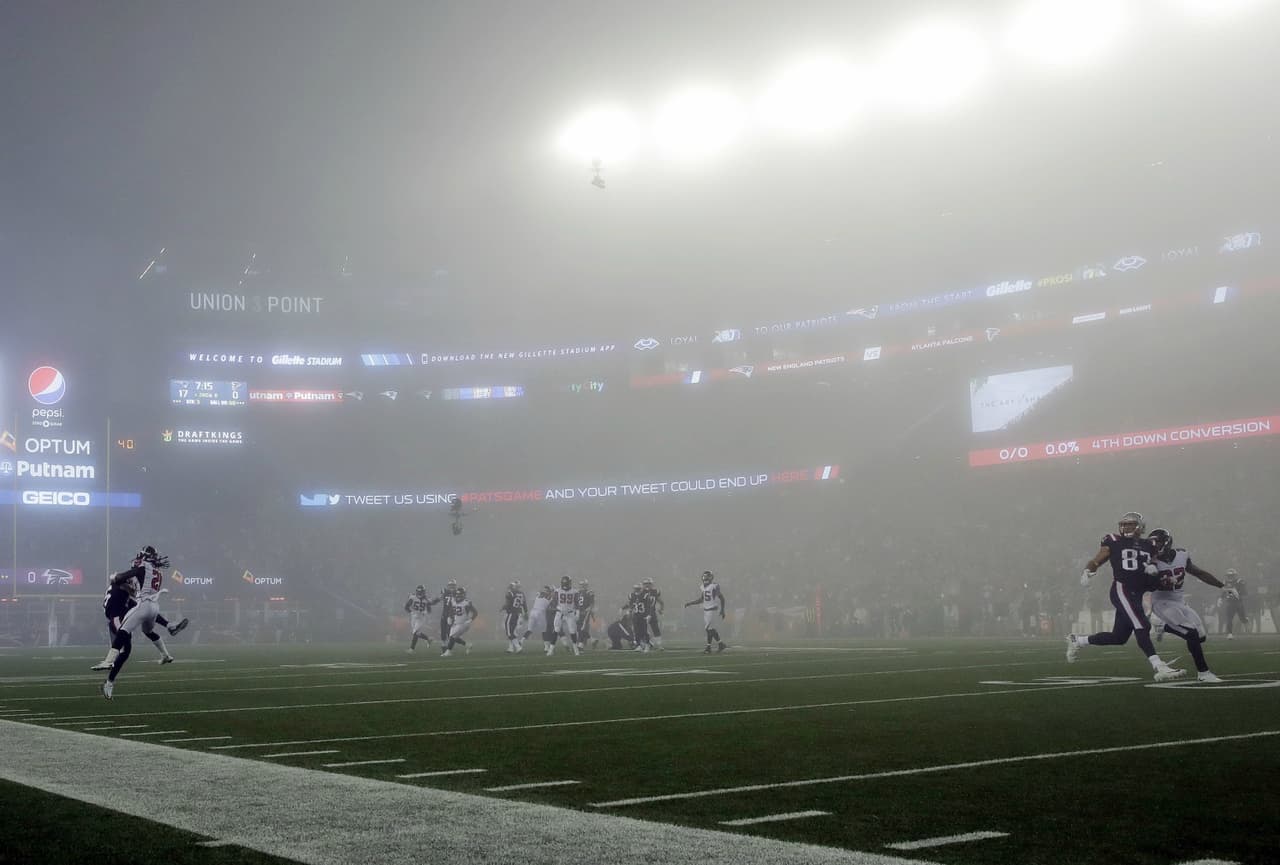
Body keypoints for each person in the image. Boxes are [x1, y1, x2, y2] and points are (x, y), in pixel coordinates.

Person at [1066, 512, 1184, 681]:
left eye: (1131, 524)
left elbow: (1154, 566)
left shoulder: (1148, 544)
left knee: (1119, 637)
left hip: (1137, 592)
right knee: (1142, 624)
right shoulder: (1113, 541)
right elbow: (1097, 559)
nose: (1127, 527)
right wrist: (1088, 570)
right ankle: (1159, 666)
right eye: (1125, 524)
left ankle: (1077, 640)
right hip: (1122, 589)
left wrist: (1153, 569)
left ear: (1140, 527)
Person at [1146, 529, 1227, 683]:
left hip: (1178, 600)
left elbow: (1199, 573)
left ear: (1167, 542)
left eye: (1158, 542)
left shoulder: (1182, 555)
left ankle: (1163, 626)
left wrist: (1222, 586)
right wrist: (1150, 576)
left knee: (1201, 636)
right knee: (1191, 634)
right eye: (1153, 543)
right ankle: (1204, 673)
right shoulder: (1149, 560)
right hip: (1161, 602)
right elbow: (1141, 585)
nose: (1155, 546)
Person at [99, 547, 175, 698]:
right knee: (125, 647)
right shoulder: (125, 583)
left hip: (121, 614)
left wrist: (165, 623)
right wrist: (122, 580)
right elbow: (121, 581)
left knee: (129, 647)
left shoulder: (131, 587)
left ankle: (109, 681)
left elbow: (140, 607)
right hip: (115, 616)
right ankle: (108, 672)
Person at [91, 565, 187, 671]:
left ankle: (166, 652)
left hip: (115, 615)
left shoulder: (119, 591)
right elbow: (126, 587)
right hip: (116, 616)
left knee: (143, 624)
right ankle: (110, 662)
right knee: (125, 642)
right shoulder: (121, 586)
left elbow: (130, 594)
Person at [684, 570, 727, 654]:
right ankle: (720, 644)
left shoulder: (714, 586)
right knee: (710, 629)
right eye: (704, 577)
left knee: (708, 629)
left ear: (711, 577)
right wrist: (690, 603)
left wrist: (722, 610)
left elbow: (722, 598)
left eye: (707, 577)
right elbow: (701, 599)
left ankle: (709, 647)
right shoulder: (702, 587)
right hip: (706, 611)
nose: (705, 578)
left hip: (712, 610)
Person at [441, 587, 477, 657]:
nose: (458, 596)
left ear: (463, 595)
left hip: (464, 623)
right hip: (456, 623)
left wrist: (471, 620)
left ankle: (448, 652)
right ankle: (467, 645)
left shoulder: (466, 603)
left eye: (460, 594)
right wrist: (450, 617)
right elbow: (452, 610)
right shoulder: (453, 601)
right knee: (452, 637)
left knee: (452, 636)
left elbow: (475, 612)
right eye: (457, 594)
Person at [550, 575, 580, 656]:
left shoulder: (575, 591)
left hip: (570, 613)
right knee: (556, 630)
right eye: (564, 583)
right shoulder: (557, 591)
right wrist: (553, 608)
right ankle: (551, 649)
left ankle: (576, 649)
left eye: (566, 583)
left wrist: (577, 613)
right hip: (560, 613)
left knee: (572, 631)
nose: (565, 585)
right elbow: (554, 602)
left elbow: (577, 603)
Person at [1219, 569, 1248, 639]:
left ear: (1235, 575)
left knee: (1243, 619)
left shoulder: (1239, 582)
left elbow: (1245, 592)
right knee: (1229, 618)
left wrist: (1237, 593)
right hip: (1230, 603)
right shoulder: (1225, 582)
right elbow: (1224, 592)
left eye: (1231, 576)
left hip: (1238, 602)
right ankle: (1230, 633)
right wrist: (1220, 598)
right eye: (1229, 576)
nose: (1230, 577)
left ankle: (1245, 619)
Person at [404, 585, 433, 653]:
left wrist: (424, 612)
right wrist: (411, 612)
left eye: (421, 592)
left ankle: (412, 649)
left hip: (421, 617)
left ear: (424, 592)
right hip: (414, 617)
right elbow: (406, 607)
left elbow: (429, 610)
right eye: (419, 592)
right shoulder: (413, 597)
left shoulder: (427, 599)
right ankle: (428, 639)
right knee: (417, 633)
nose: (420, 594)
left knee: (415, 632)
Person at [526, 585, 553, 654]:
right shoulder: (550, 596)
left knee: (533, 629)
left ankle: (521, 642)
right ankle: (546, 647)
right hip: (541, 613)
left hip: (535, 611)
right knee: (544, 630)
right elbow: (550, 606)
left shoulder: (539, 594)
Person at [502, 580, 526, 653]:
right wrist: (526, 613)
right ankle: (511, 648)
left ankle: (518, 647)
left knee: (509, 632)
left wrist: (504, 607)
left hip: (511, 613)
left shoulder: (510, 593)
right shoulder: (522, 594)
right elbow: (524, 604)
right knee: (513, 631)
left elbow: (508, 604)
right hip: (518, 614)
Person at [642, 578, 665, 650]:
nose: (647, 585)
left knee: (655, 629)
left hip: (649, 613)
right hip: (645, 613)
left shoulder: (652, 592)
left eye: (648, 584)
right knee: (644, 630)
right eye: (646, 584)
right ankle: (649, 644)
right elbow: (661, 602)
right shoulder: (643, 592)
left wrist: (661, 609)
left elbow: (661, 602)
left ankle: (657, 644)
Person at [574, 579, 595, 652]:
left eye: (583, 585)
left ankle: (580, 645)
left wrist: (588, 610)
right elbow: (576, 604)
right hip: (579, 612)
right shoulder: (578, 593)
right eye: (581, 585)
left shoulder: (589, 592)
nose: (582, 586)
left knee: (582, 628)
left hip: (585, 613)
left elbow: (591, 604)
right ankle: (592, 640)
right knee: (580, 628)